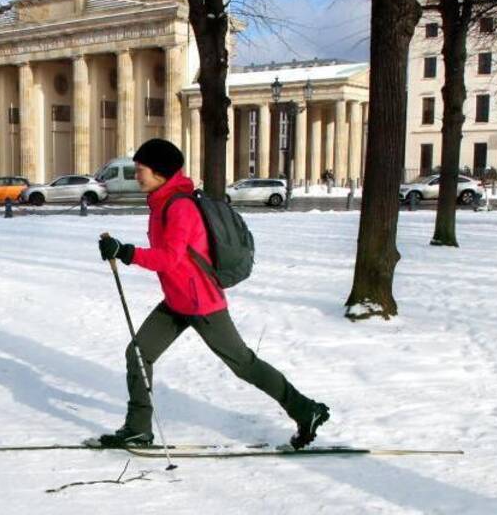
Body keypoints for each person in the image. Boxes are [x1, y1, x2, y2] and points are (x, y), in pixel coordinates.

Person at [96, 138, 329, 449]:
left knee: (243, 364)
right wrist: (122, 251)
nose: (136, 174)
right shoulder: (161, 202)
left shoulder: (180, 207)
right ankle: (138, 427)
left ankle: (306, 410)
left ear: (160, 172)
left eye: (141, 169)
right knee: (138, 353)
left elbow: (169, 258)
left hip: (202, 303)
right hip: (178, 300)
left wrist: (125, 252)